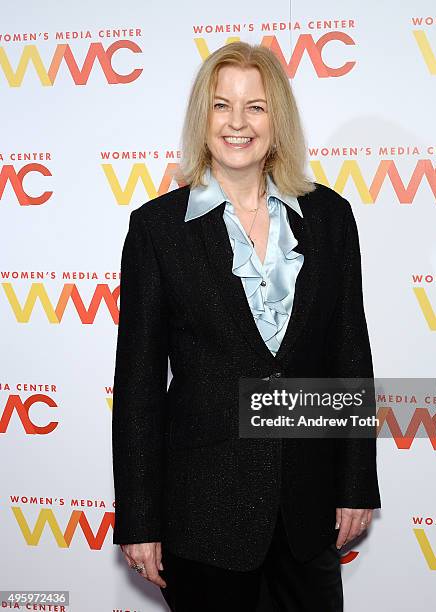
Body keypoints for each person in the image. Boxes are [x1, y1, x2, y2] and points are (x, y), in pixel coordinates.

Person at [111, 41, 381, 611]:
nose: (237, 123)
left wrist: (356, 483)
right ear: (201, 119)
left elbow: (349, 354)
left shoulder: (331, 218)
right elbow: (137, 389)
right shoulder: (157, 230)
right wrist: (139, 519)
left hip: (309, 515)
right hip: (202, 516)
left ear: (276, 118)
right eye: (221, 105)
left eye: (255, 106)